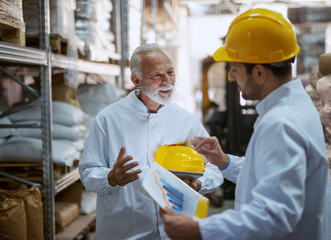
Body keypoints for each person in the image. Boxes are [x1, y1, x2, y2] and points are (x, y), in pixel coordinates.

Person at [160, 8, 331, 240]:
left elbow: (273, 216)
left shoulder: (281, 124)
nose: (231, 77)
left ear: (260, 72)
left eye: (235, 69)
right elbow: (270, 176)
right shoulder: (296, 105)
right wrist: (223, 161)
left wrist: (199, 230)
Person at [78, 43, 223, 239]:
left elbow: (214, 168)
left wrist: (197, 184)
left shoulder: (186, 121)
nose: (168, 81)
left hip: (174, 233)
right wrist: (111, 178)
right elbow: (87, 173)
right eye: (157, 75)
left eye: (170, 72)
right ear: (136, 80)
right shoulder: (108, 119)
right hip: (124, 233)